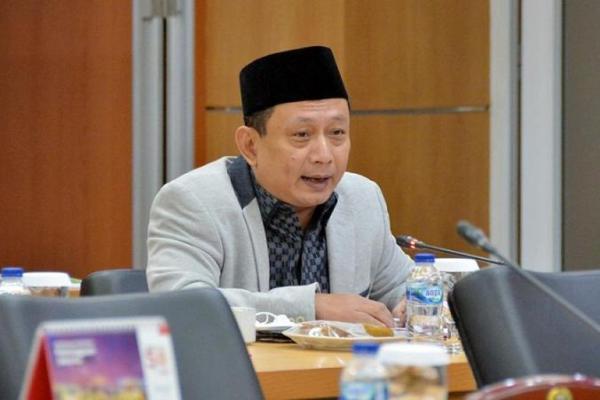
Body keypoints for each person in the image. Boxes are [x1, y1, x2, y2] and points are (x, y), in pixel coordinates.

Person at [146, 46, 413, 327]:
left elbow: (402, 286)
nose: (324, 155)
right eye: (302, 135)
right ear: (250, 146)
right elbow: (183, 306)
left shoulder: (362, 198)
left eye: (337, 133)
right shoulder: (193, 201)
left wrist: (414, 302)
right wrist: (311, 308)